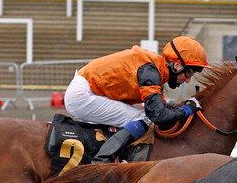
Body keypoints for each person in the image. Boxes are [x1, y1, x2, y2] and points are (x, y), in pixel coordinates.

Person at [63, 36, 209, 163]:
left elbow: (162, 109)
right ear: (177, 65)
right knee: (142, 118)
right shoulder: (150, 71)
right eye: (189, 72)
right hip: (83, 95)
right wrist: (187, 109)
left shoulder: (156, 69)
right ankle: (101, 161)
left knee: (143, 117)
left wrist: (183, 107)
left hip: (89, 90)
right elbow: (158, 116)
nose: (188, 80)